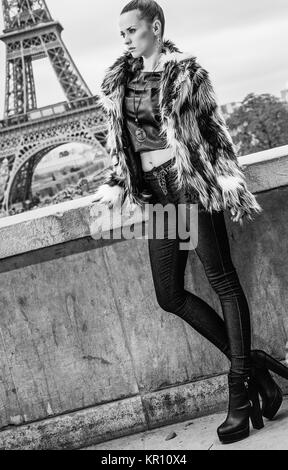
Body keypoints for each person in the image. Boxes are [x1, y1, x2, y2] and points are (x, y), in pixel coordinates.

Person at [93, 0, 288, 444]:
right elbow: (119, 145)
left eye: (131, 30)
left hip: (188, 185)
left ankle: (238, 392)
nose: (124, 39)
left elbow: (215, 136)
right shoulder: (121, 78)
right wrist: (116, 185)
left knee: (223, 281)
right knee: (169, 292)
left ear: (155, 27)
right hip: (155, 192)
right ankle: (257, 368)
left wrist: (227, 182)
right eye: (121, 32)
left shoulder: (187, 75)